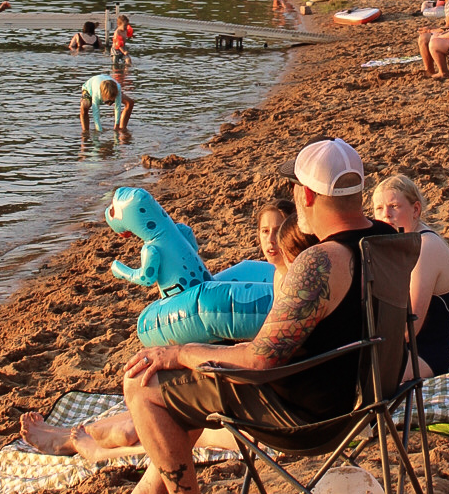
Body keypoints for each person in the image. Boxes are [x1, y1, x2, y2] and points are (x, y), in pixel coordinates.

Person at [90, 137, 392, 494]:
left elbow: (259, 358)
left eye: (294, 190)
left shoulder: (321, 261)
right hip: (372, 397)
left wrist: (179, 353)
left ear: (305, 195)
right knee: (196, 380)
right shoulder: (393, 241)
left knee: (145, 383)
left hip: (306, 414)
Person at [20, 197, 309, 461]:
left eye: (279, 230)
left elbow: (261, 356)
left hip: (270, 415)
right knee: (173, 403)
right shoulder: (277, 280)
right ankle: (87, 430)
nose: (271, 240)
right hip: (272, 399)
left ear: (294, 233)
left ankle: (88, 445)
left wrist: (186, 353)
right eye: (264, 231)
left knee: (179, 421)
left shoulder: (294, 289)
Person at [371, 173, 449, 379]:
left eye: (394, 206)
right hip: (408, 349)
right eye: (379, 208)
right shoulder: (403, 243)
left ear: (416, 209)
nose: (386, 214)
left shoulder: (425, 248)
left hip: (425, 355)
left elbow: (409, 328)